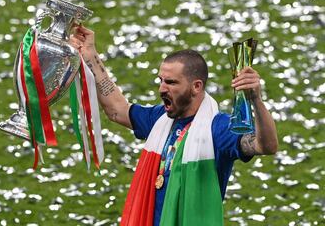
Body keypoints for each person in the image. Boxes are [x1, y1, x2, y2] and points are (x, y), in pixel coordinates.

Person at [70, 26, 278, 226]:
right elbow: (117, 110)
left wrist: (256, 100)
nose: (161, 88)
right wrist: (90, 56)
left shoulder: (218, 128)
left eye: (171, 82)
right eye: (160, 80)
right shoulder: (161, 118)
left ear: (196, 86)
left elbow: (265, 146)